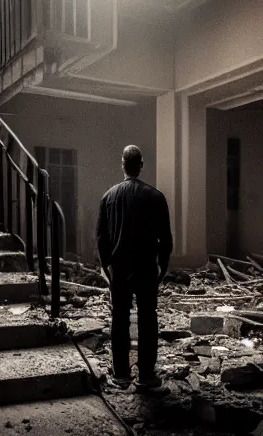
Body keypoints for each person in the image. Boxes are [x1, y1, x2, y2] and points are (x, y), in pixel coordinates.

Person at [95, 145, 173, 389]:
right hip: (147, 268)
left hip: (119, 269)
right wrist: (163, 266)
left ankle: (121, 374)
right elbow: (166, 239)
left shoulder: (109, 196)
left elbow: (101, 237)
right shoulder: (156, 197)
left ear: (122, 164)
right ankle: (147, 375)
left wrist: (106, 266)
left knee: (119, 319)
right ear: (141, 165)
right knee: (148, 320)